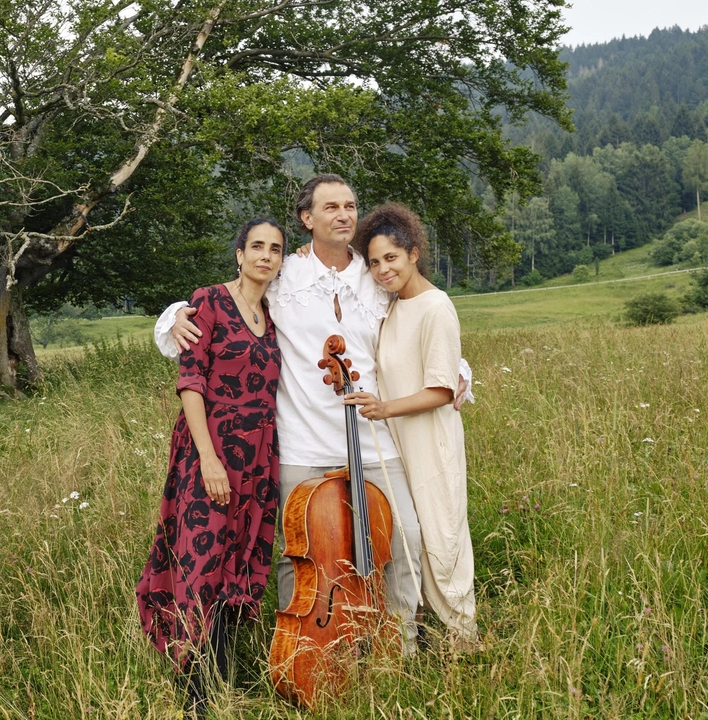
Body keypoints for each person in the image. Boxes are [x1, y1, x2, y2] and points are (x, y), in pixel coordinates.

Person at [156, 174, 473, 653]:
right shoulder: (285, 275)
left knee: (404, 540)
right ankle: (302, 650)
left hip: (374, 441)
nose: (344, 214)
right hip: (303, 444)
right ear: (307, 218)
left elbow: (418, 325)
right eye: (331, 207)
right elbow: (232, 295)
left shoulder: (377, 277)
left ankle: (398, 647)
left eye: (350, 206)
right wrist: (177, 313)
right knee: (299, 555)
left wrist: (459, 370)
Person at [136, 218, 286, 716]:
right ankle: (195, 696)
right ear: (239, 255)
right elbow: (190, 380)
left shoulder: (270, 312)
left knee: (234, 566)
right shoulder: (208, 301)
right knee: (201, 566)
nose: (266, 255)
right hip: (212, 451)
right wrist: (207, 458)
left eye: (276, 249)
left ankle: (219, 679)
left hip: (258, 460)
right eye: (257, 247)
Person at [342, 202, 478, 646]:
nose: (383, 270)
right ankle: (413, 636)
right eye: (375, 261)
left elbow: (441, 389)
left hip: (430, 441)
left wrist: (384, 408)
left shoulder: (436, 306)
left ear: (414, 253)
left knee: (442, 539)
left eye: (392, 258)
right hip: (400, 443)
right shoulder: (391, 307)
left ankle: (464, 639)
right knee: (410, 542)